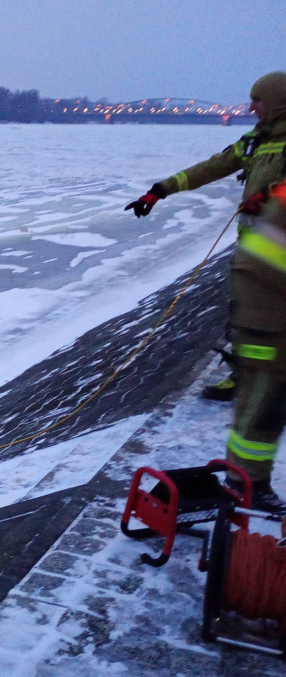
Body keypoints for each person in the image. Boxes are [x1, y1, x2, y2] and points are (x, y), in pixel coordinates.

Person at [126, 71, 286, 401]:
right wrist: (160, 191)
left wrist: (274, 194)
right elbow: (214, 166)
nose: (252, 106)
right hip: (255, 249)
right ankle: (245, 376)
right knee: (247, 315)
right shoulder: (256, 140)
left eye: (259, 100)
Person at [224, 181, 286, 516]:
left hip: (262, 313)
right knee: (266, 403)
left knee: (259, 403)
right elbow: (268, 259)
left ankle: (243, 480)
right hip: (267, 320)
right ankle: (246, 485)